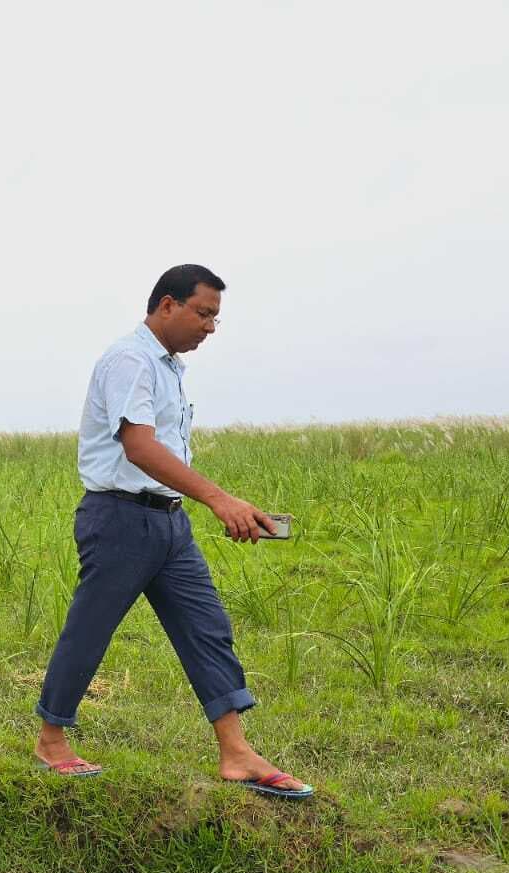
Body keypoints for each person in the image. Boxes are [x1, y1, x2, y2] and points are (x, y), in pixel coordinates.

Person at [33, 265, 313, 798]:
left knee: (206, 626)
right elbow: (137, 446)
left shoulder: (169, 367)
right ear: (167, 305)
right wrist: (218, 499)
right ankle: (51, 738)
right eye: (203, 313)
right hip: (119, 518)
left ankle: (236, 752)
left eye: (216, 318)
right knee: (91, 629)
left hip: (168, 520)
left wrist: (211, 503)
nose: (210, 327)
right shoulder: (130, 360)